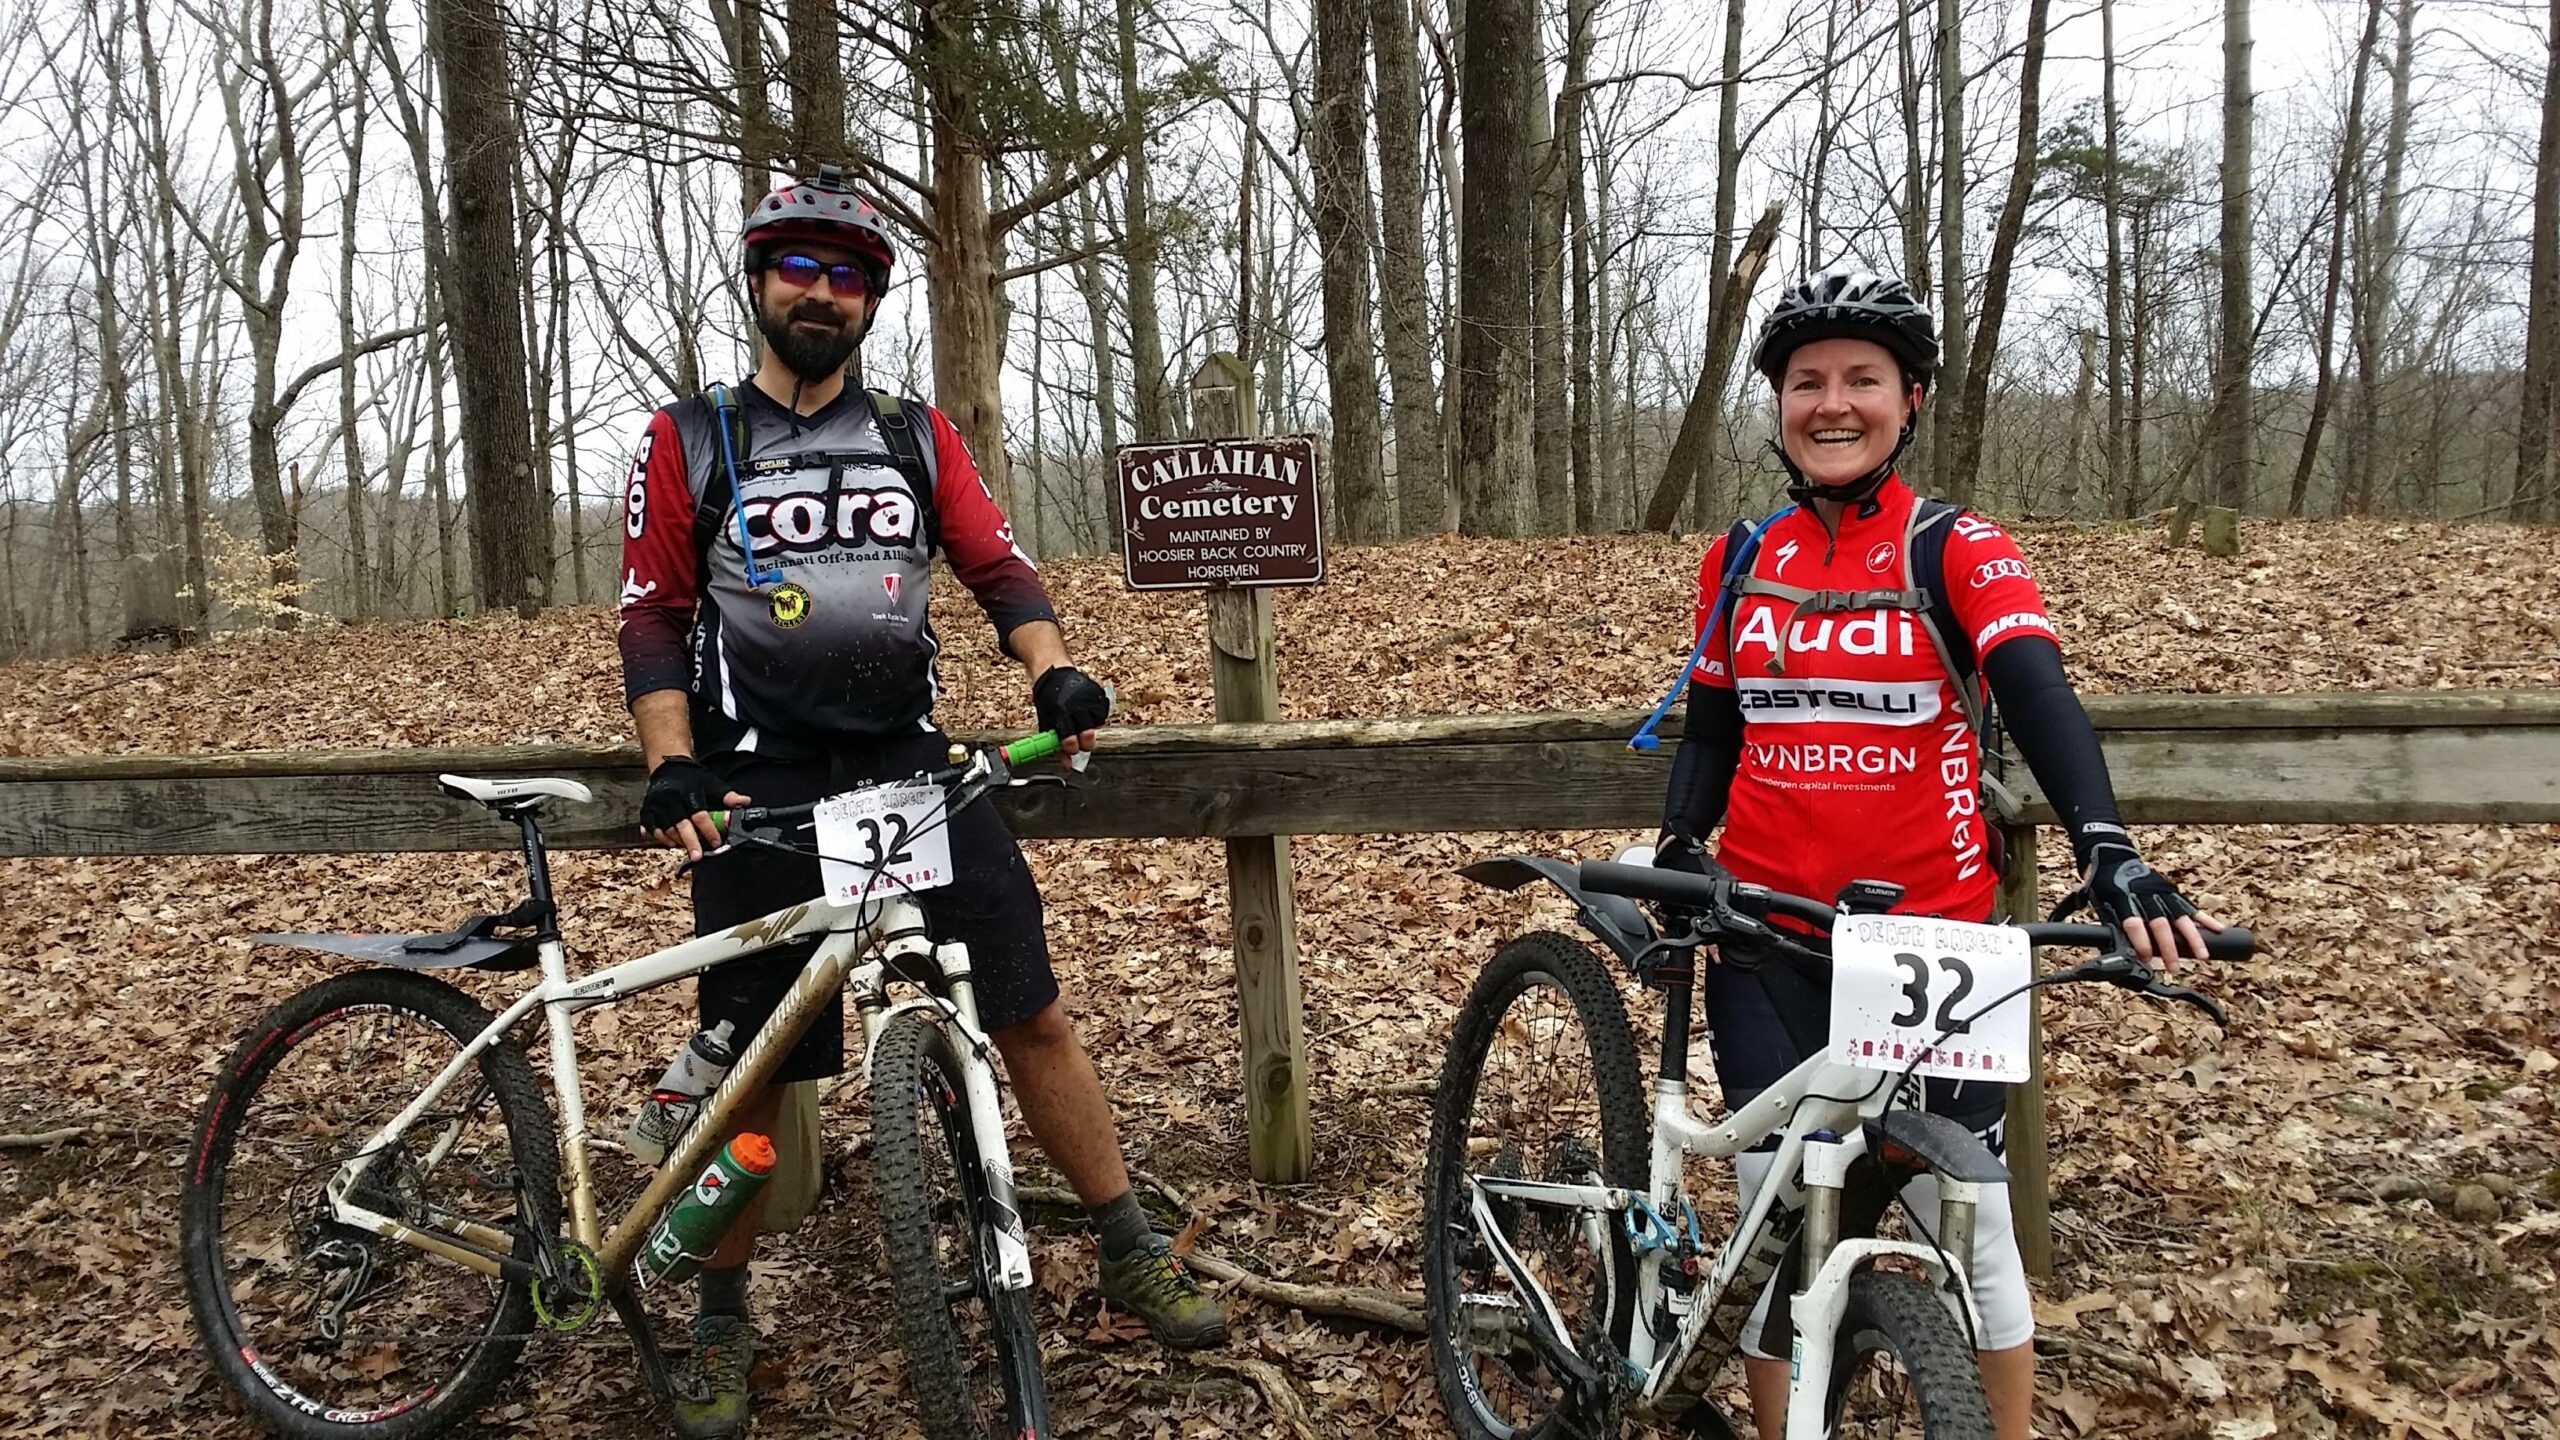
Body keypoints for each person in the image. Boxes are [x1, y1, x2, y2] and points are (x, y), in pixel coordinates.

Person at [616, 167, 1226, 1440]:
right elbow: (655, 617)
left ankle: (1126, 1247)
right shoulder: (690, 437)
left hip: (910, 767)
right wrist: (671, 761)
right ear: (760, 280)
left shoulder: (911, 432)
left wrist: (1052, 669)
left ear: (873, 297)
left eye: (847, 274)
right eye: (799, 267)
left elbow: (997, 566)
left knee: (1031, 1013)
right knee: (753, 1071)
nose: (820, 293)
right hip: (762, 787)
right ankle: (718, 1323)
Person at [1653, 268, 2222, 1440]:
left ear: (1907, 400)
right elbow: (1714, 720)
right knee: (1775, 1226)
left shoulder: (1957, 546)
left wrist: (2108, 849)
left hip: (1933, 941)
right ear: (1777, 405)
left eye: (1861, 379)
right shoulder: (1741, 552)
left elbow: (2039, 692)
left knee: (1978, 1228)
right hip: (1766, 930)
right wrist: (1675, 843)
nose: (1831, 403)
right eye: (1806, 382)